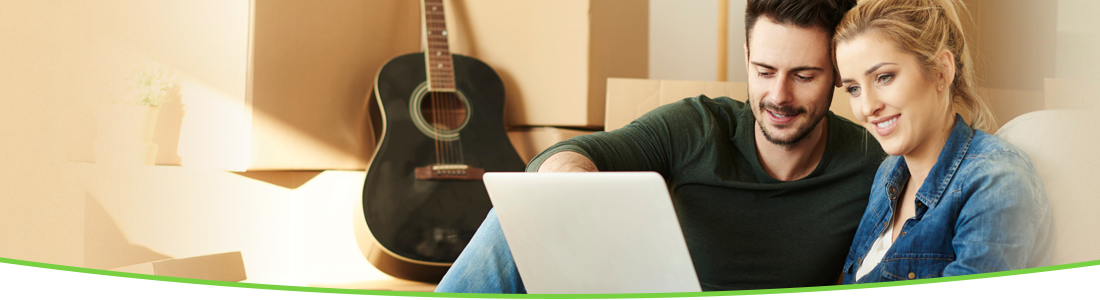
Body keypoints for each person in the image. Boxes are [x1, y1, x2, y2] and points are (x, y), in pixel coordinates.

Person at [435, 0, 885, 293]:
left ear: (839, 73)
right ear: (746, 59)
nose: (780, 96)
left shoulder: (873, 164)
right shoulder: (697, 126)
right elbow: (564, 155)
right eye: (765, 71)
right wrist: (571, 185)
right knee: (518, 214)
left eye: (804, 76)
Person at [829, 0, 1053, 284]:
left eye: (884, 77)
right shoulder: (889, 173)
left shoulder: (997, 179)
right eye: (854, 89)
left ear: (940, 70)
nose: (866, 107)